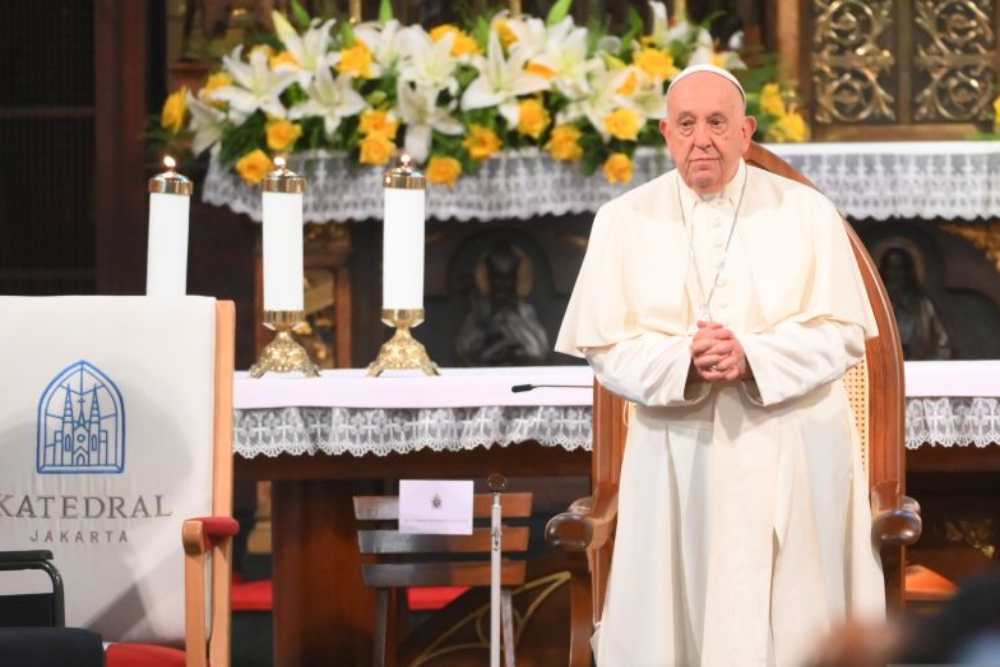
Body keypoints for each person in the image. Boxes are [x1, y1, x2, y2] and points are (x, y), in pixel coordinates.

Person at [555, 64, 886, 666]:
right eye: (686, 124)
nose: (700, 138)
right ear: (665, 132)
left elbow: (844, 336)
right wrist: (685, 359)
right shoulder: (623, 221)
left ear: (746, 131)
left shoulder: (808, 213)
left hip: (794, 449)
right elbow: (605, 349)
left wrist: (752, 356)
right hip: (678, 455)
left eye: (716, 122)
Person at [456, 240, 549, 365]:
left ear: (516, 280)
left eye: (508, 279)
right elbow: (464, 349)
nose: (503, 285)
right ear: (489, 279)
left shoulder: (524, 311)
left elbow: (540, 350)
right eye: (497, 278)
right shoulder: (479, 311)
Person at [879, 246, 952, 360]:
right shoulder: (873, 308)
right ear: (883, 271)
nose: (895, 274)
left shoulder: (924, 306)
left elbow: (943, 345)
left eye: (900, 268)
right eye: (891, 268)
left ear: (908, 271)